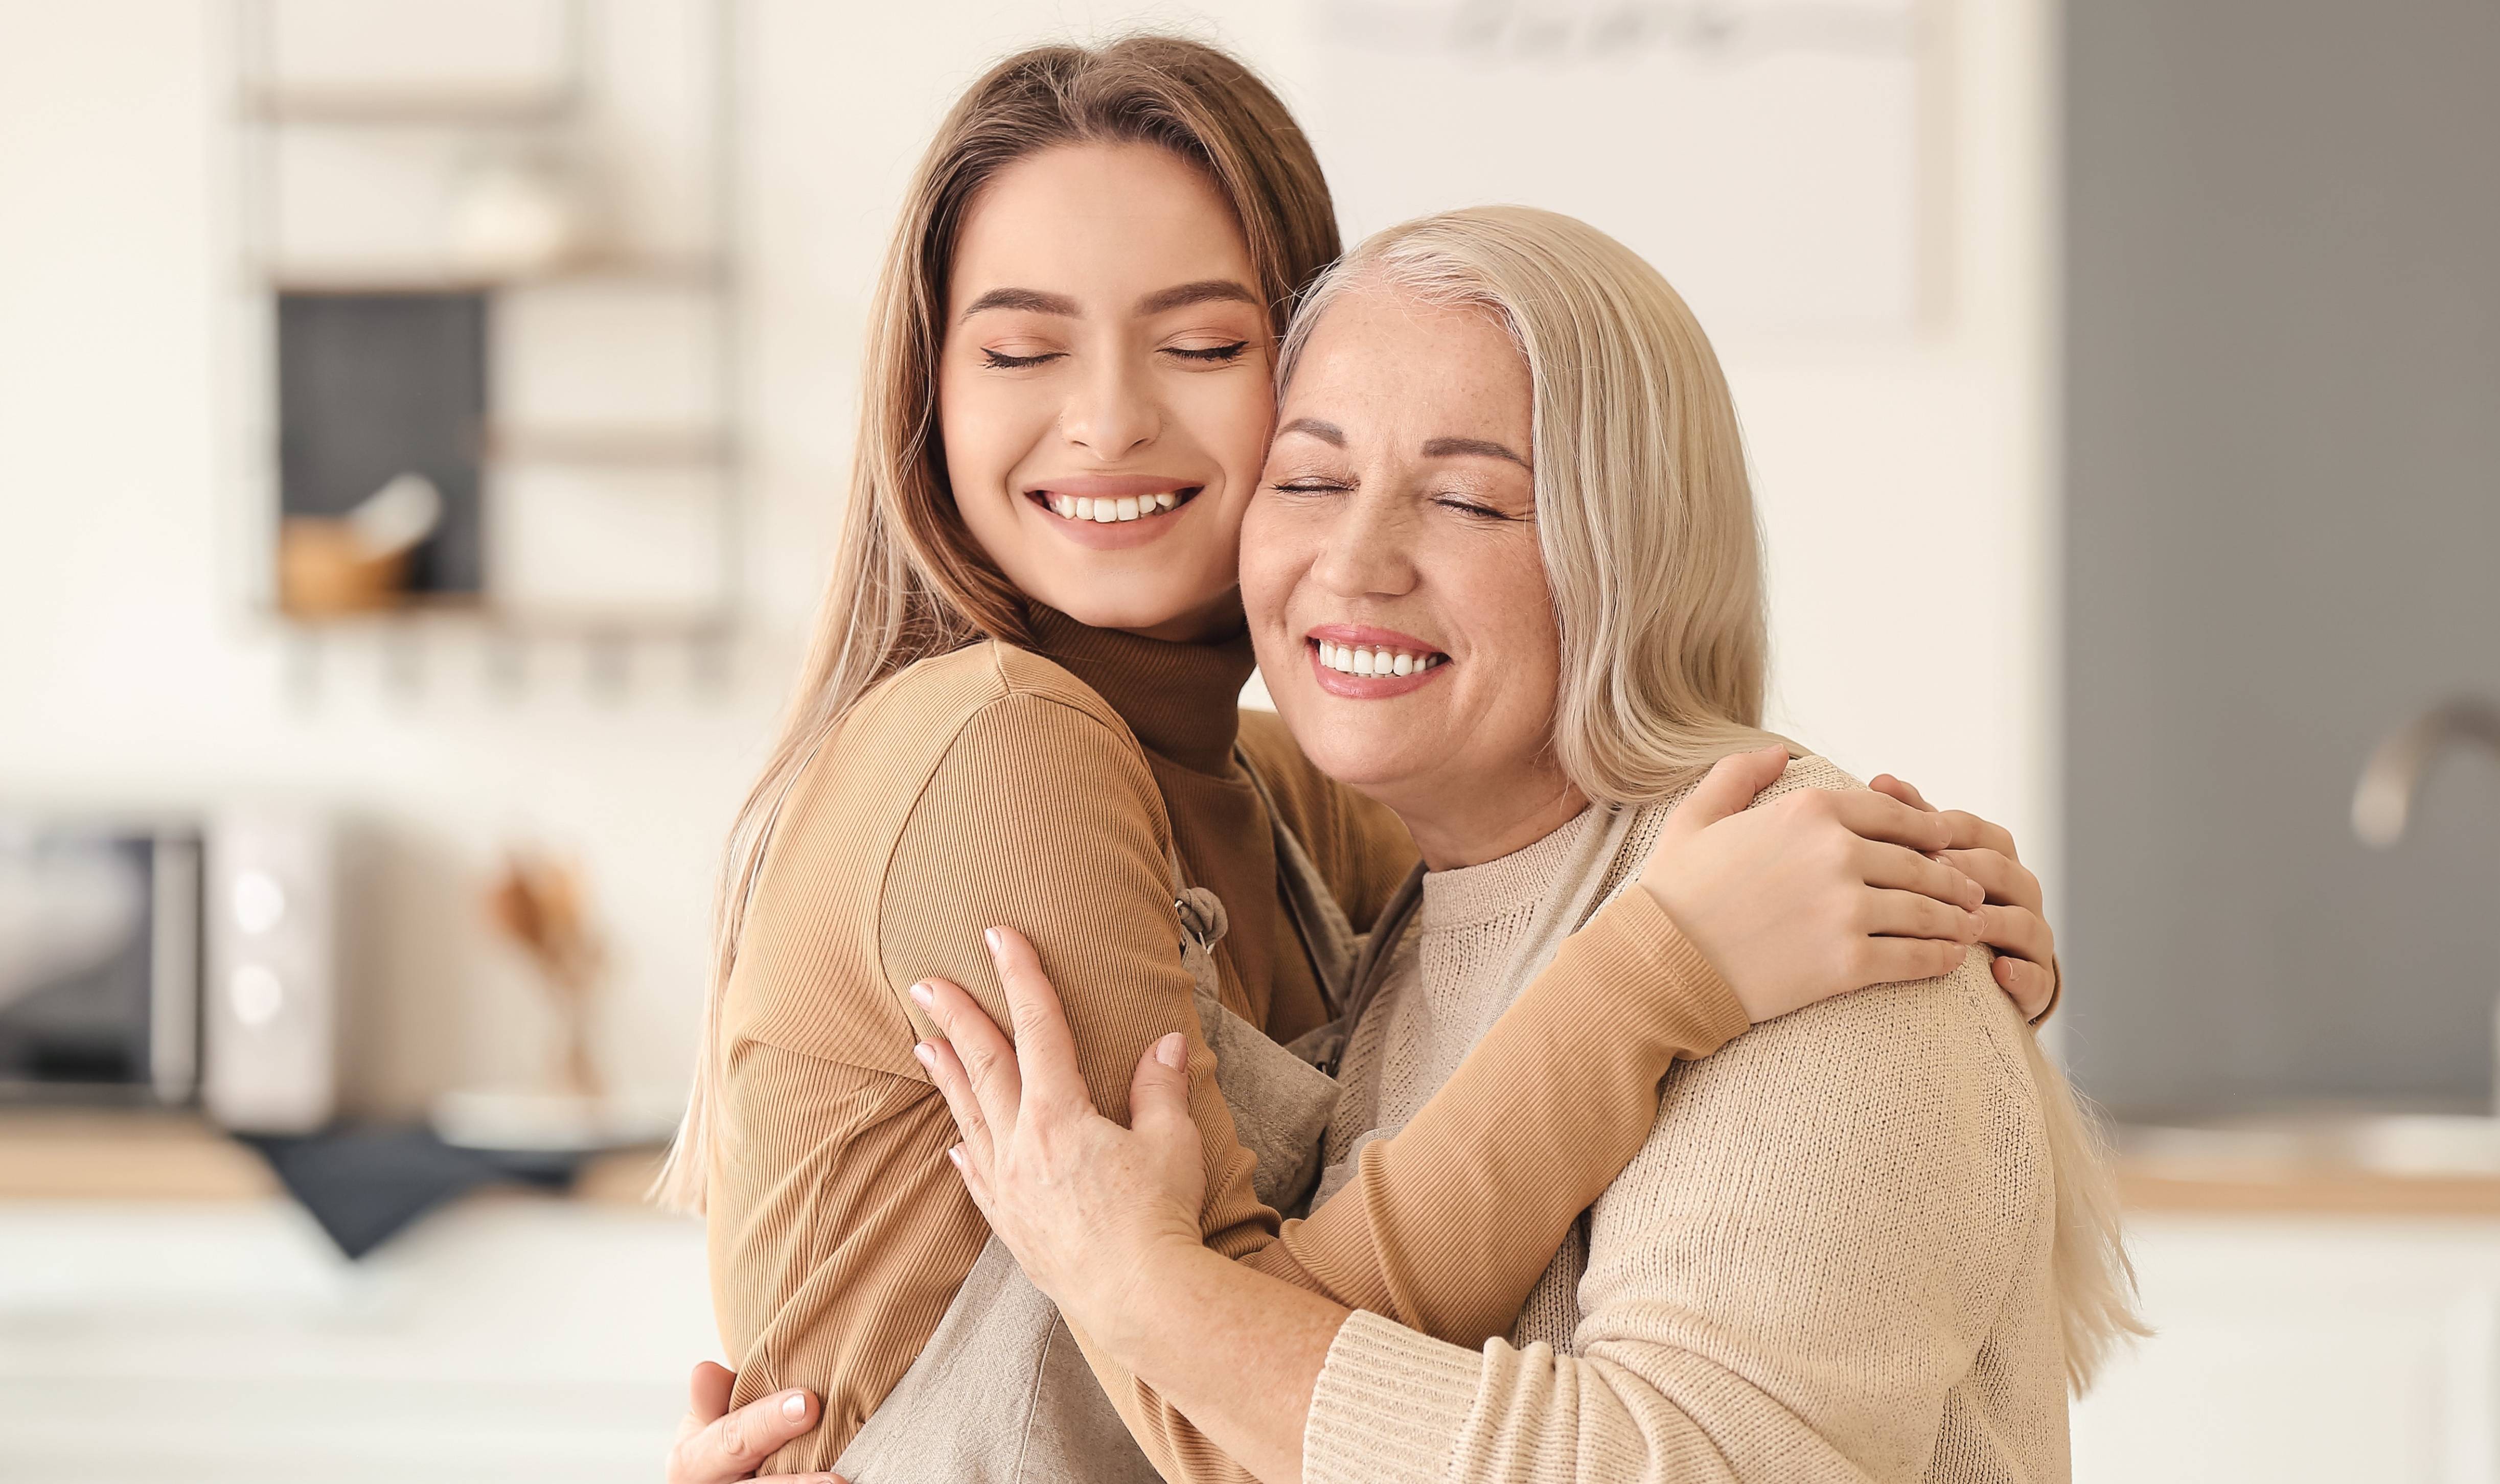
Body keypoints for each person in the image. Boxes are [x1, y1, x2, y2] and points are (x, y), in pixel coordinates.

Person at [657, 36, 2068, 1483]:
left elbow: (1545, 864)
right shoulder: (1004, 744)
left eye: (1203, 346)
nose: (1104, 418)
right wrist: (1666, 970)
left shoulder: (1292, 793)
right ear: (927, 396)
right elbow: (1219, 1406)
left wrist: (1932, 901)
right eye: (1019, 351)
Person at [903, 206, 2142, 1483]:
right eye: (1313, 479)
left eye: (1467, 500)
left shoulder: (1815, 919)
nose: (1356, 560)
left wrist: (1141, 1290)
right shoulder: (1401, 902)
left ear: (1633, 551)